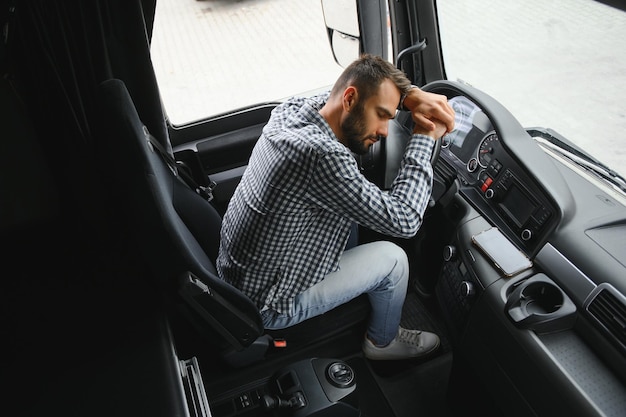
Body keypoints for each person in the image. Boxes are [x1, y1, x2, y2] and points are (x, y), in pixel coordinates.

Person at [217, 54, 455, 360]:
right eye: (382, 114)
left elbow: (348, 86)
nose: (384, 131)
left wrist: (409, 95)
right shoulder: (321, 157)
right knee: (395, 260)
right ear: (350, 98)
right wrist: (423, 138)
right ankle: (382, 341)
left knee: (355, 209)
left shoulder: (291, 111)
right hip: (267, 303)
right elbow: (406, 220)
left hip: (239, 279)